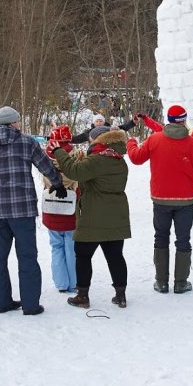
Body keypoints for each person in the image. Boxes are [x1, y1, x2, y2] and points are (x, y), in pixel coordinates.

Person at [0, 106, 66, 316]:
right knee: (27, 256)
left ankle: (2, 302)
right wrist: (57, 184)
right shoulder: (27, 142)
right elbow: (45, 166)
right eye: (18, 121)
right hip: (23, 209)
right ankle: (31, 305)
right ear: (13, 122)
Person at [126, 105, 193, 294]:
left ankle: (162, 282)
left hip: (160, 199)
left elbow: (136, 158)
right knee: (183, 240)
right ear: (183, 120)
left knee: (161, 238)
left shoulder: (154, 139)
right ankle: (181, 282)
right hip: (185, 201)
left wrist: (131, 142)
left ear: (169, 119)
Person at [52, 125, 131, 309]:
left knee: (83, 255)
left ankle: (82, 296)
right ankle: (121, 296)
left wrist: (59, 152)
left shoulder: (99, 158)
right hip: (116, 215)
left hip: (93, 216)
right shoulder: (119, 158)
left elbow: (75, 171)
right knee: (115, 256)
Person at [40, 126, 79, 294]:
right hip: (71, 210)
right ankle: (74, 282)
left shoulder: (45, 159)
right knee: (71, 247)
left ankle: (61, 283)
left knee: (56, 247)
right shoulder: (76, 158)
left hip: (52, 208)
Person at [70, 113, 136, 144]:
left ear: (104, 122)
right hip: (95, 154)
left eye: (101, 121)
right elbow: (77, 139)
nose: (99, 123)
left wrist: (132, 122)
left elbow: (123, 127)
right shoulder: (89, 133)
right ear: (94, 123)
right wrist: (65, 138)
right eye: (97, 121)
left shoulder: (110, 129)